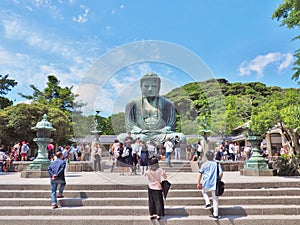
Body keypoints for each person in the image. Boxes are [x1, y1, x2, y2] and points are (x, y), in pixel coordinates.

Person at [117, 73, 186, 144]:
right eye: (146, 86)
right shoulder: (132, 104)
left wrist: (163, 130)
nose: (150, 89)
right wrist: (140, 131)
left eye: (154, 86)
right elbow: (130, 125)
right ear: (141, 87)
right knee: (121, 137)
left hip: (160, 134)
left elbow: (171, 125)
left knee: (181, 137)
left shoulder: (168, 103)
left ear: (159, 87)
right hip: (142, 134)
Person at [197, 151, 223, 220]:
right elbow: (221, 173)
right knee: (215, 199)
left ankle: (208, 203)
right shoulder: (217, 164)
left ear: (206, 157)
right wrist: (219, 179)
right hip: (214, 182)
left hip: (206, 182)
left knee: (204, 191)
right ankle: (216, 215)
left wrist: (198, 183)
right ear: (213, 156)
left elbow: (200, 174)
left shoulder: (204, 164)